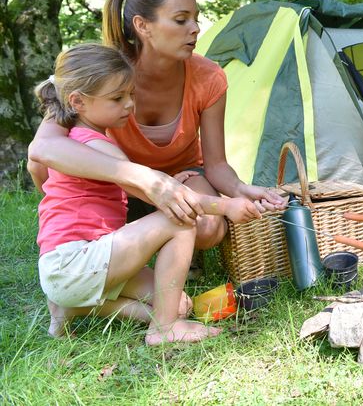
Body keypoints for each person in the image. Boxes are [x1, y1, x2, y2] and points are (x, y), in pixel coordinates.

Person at [28, 0, 285, 248]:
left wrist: (240, 189)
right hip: (113, 180)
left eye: (196, 18)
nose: (195, 28)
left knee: (209, 228)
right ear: (142, 25)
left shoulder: (209, 77)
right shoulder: (102, 71)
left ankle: (167, 233)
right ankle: (70, 227)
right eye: (181, 19)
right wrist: (143, 178)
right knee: (41, 166)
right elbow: (42, 150)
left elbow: (216, 165)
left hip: (183, 176)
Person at [35, 43, 261, 343]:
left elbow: (145, 184)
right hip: (77, 261)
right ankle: (164, 329)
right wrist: (226, 205)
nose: (129, 105)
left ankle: (74, 307)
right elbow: (152, 190)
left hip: (71, 265)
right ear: (77, 102)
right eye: (117, 98)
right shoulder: (94, 144)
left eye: (130, 94)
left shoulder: (78, 142)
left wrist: (170, 182)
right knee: (181, 219)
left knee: (179, 304)